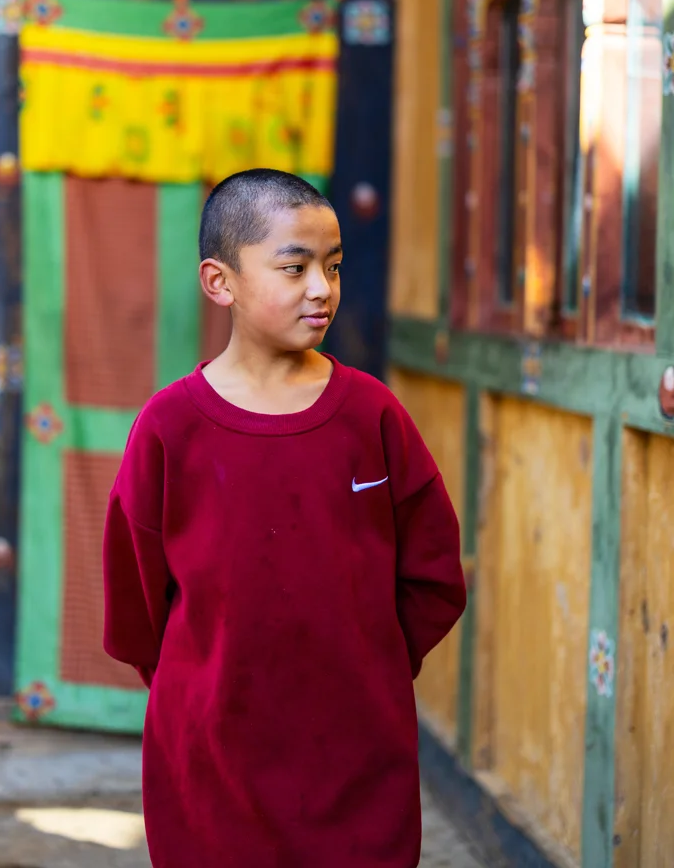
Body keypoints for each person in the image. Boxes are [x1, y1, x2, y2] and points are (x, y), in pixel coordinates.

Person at [103, 168, 466, 868]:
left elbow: (433, 573)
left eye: (332, 266)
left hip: (357, 747)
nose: (322, 288)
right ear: (221, 282)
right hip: (212, 750)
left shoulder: (371, 415)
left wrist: (369, 667)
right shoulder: (170, 427)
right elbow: (136, 596)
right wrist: (203, 681)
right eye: (294, 268)